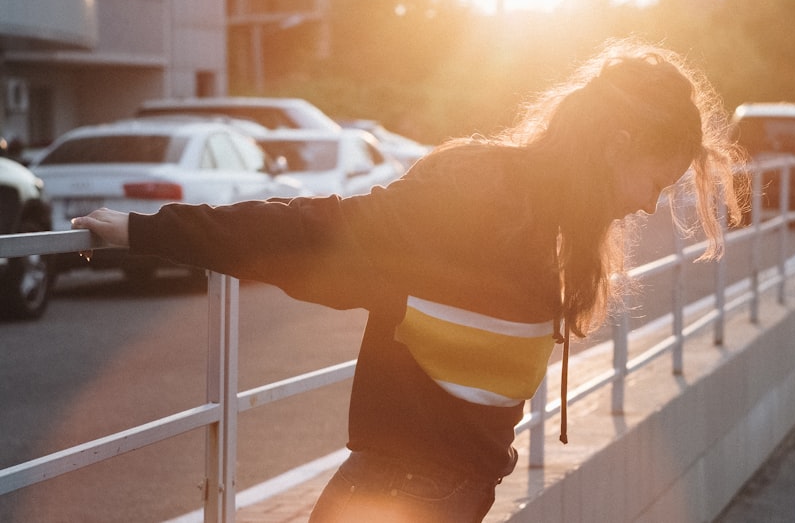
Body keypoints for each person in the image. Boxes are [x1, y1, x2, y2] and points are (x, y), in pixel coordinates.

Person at [72, 37, 743, 522]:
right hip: (403, 493)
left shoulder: (561, 228)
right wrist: (144, 232)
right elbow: (312, 232)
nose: (651, 204)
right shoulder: (479, 194)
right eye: (655, 181)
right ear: (616, 143)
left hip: (441, 495)